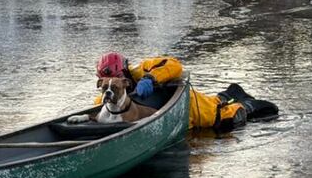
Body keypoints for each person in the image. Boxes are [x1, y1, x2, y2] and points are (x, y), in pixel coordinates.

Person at [93, 52, 278, 133]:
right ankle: (230, 93)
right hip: (176, 115)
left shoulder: (142, 70)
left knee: (231, 115)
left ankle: (242, 101)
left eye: (116, 82)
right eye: (107, 84)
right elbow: (100, 107)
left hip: (198, 111)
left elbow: (173, 65)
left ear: (123, 74)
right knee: (220, 99)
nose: (112, 86)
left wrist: (150, 78)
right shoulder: (111, 98)